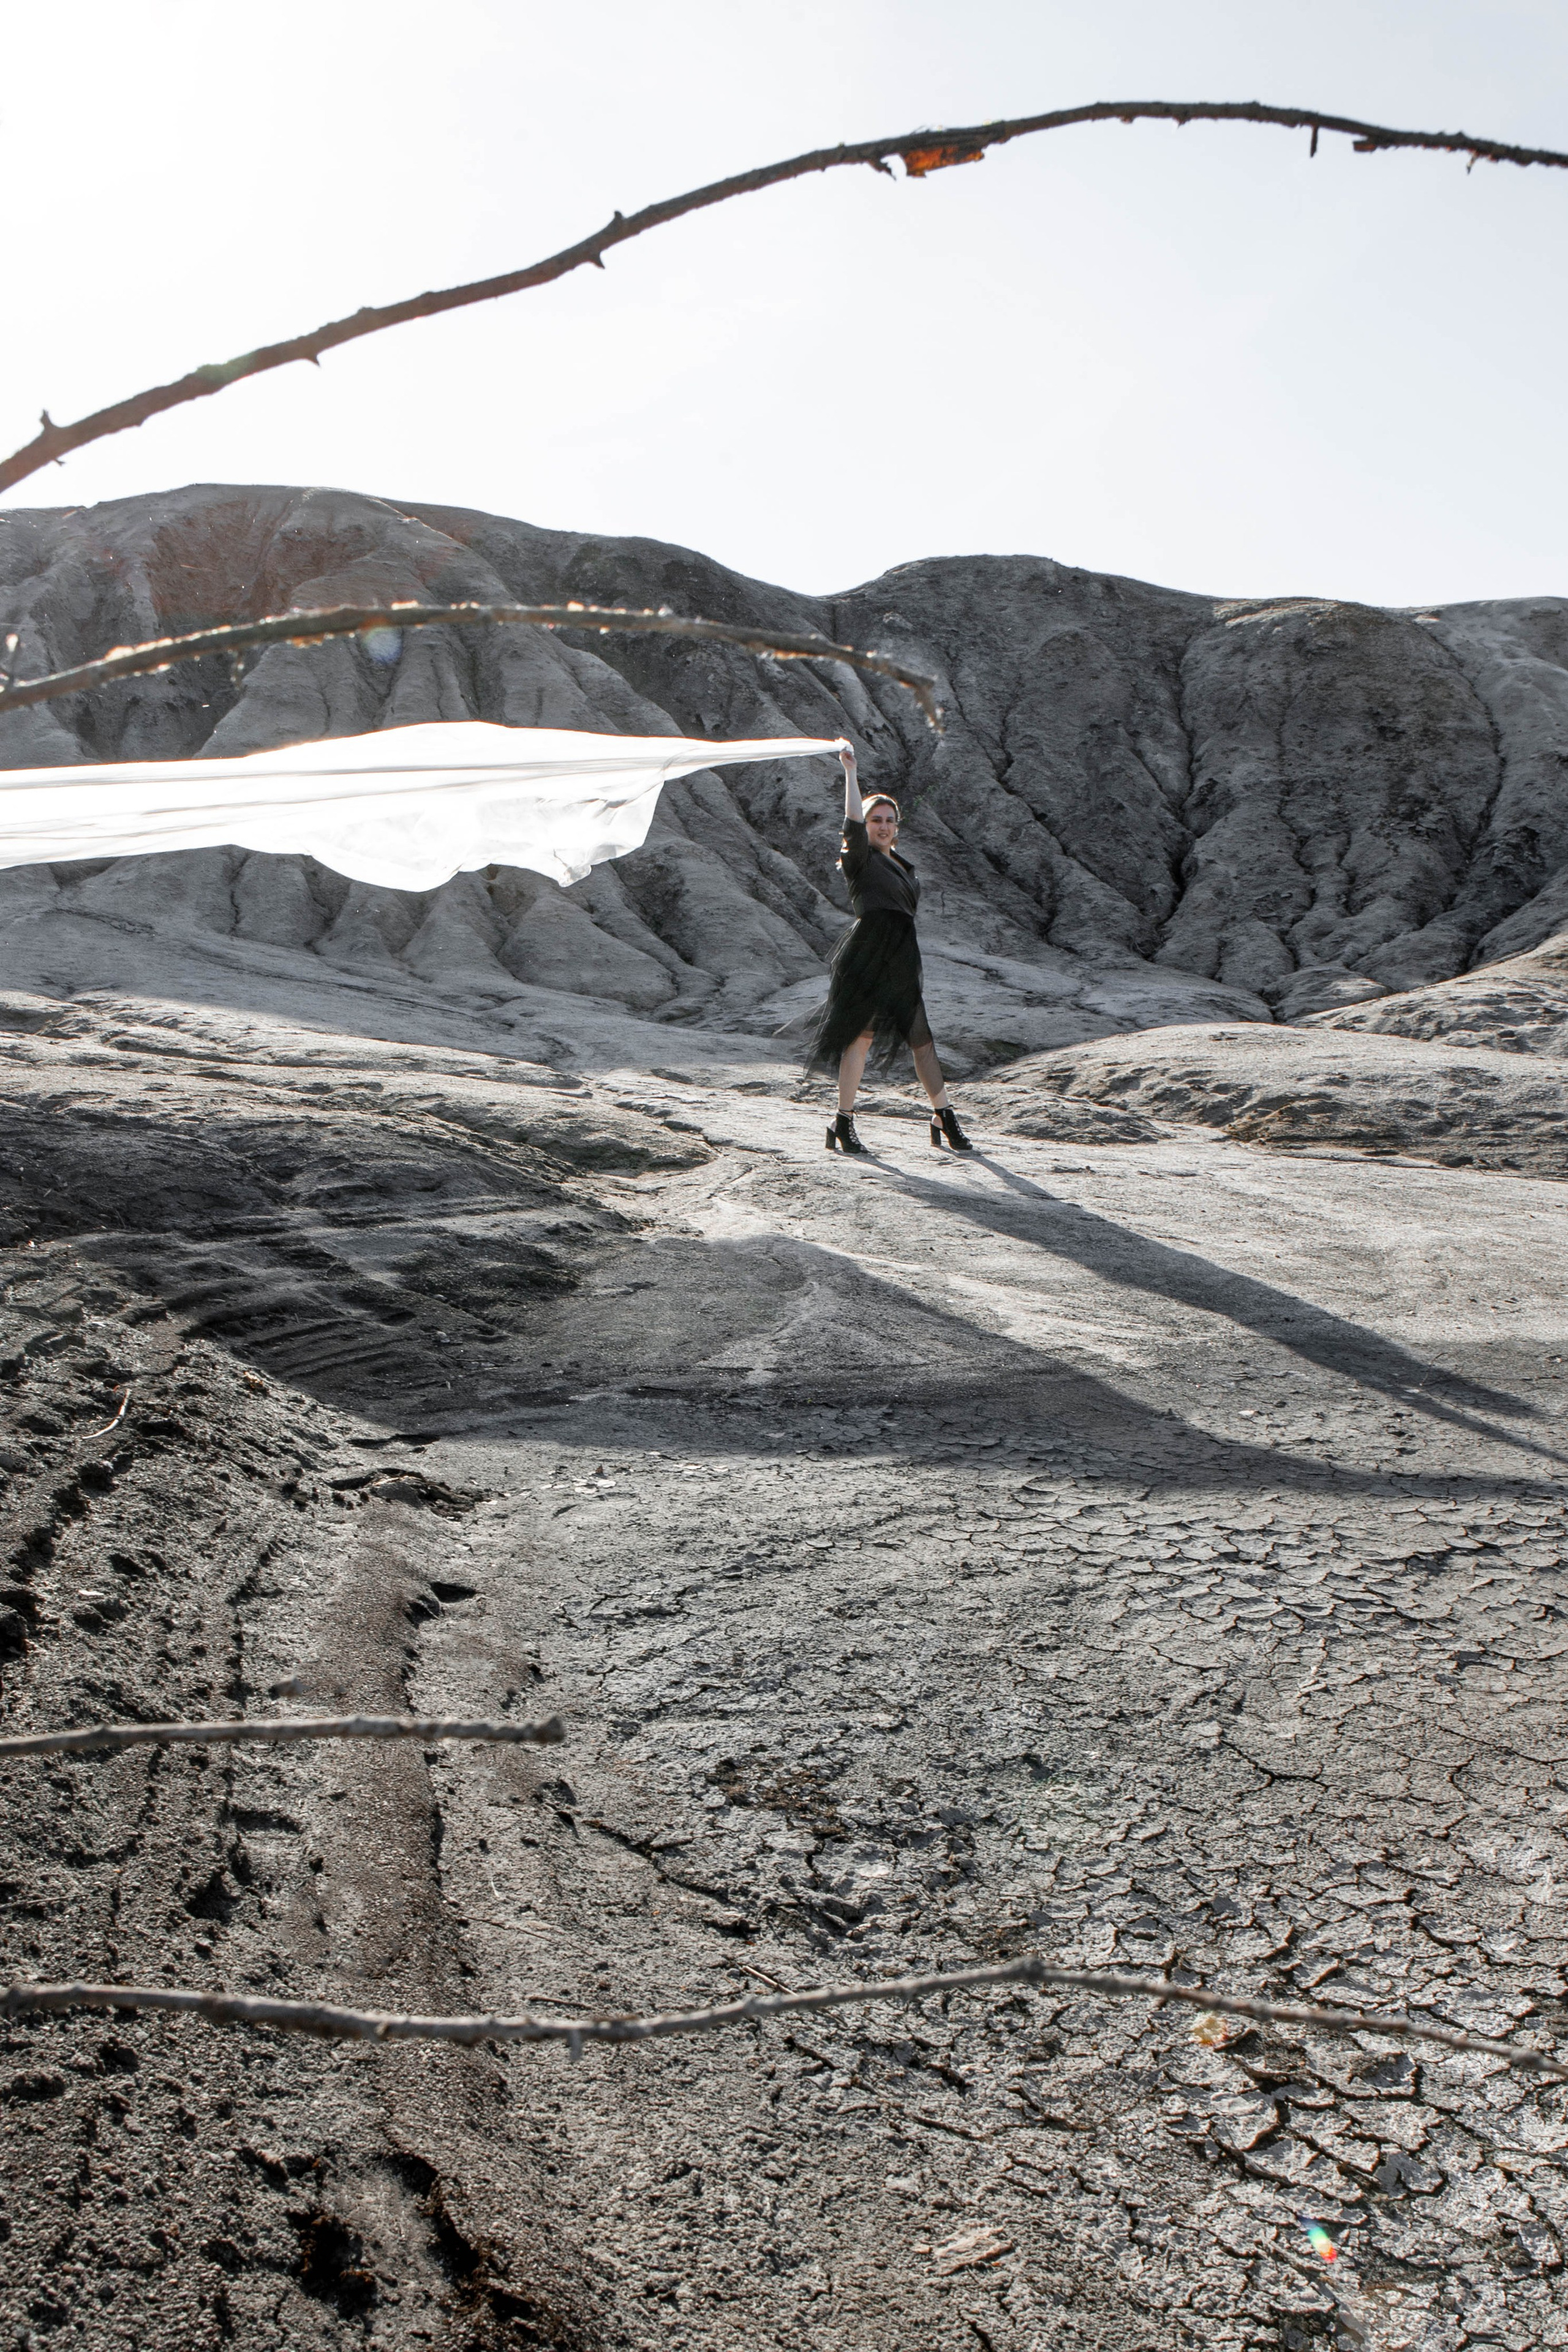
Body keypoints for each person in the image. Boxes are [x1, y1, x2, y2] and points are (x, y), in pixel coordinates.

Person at [808, 743, 973, 1155]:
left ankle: (943, 1115)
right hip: (868, 955)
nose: (882, 826)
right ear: (866, 826)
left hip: (901, 956)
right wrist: (851, 773)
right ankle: (843, 1122)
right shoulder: (860, 860)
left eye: (889, 820)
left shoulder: (904, 865)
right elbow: (850, 822)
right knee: (860, 1039)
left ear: (897, 827)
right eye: (875, 820)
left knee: (922, 1038)